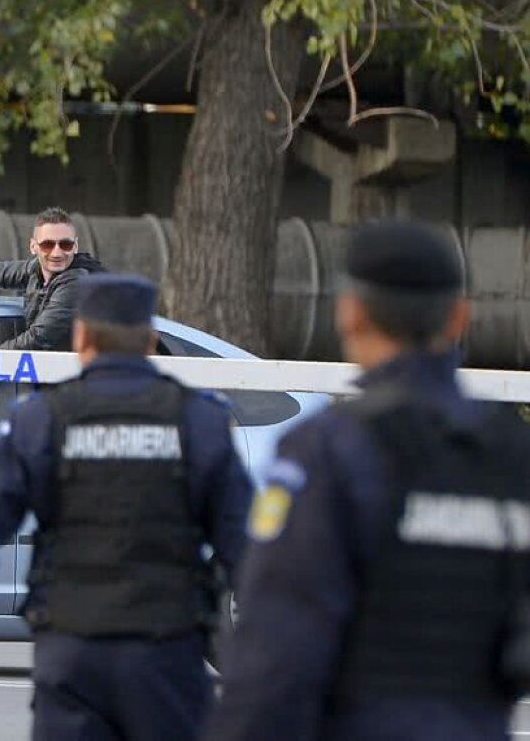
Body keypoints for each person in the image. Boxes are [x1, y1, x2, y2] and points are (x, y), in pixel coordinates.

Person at [205, 220, 530, 741]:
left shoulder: (330, 451)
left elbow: (277, 646)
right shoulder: (513, 453)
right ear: (460, 316)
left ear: (350, 313)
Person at [0, 273, 253, 741]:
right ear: (150, 341)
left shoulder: (43, 418)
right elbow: (246, 544)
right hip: (166, 651)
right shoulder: (199, 421)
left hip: (72, 650)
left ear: (80, 336)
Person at [0, 206, 104, 351]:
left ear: (75, 246)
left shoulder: (77, 280)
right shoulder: (35, 269)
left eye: (66, 245)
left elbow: (39, 339)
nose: (57, 253)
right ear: (33, 247)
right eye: (47, 245)